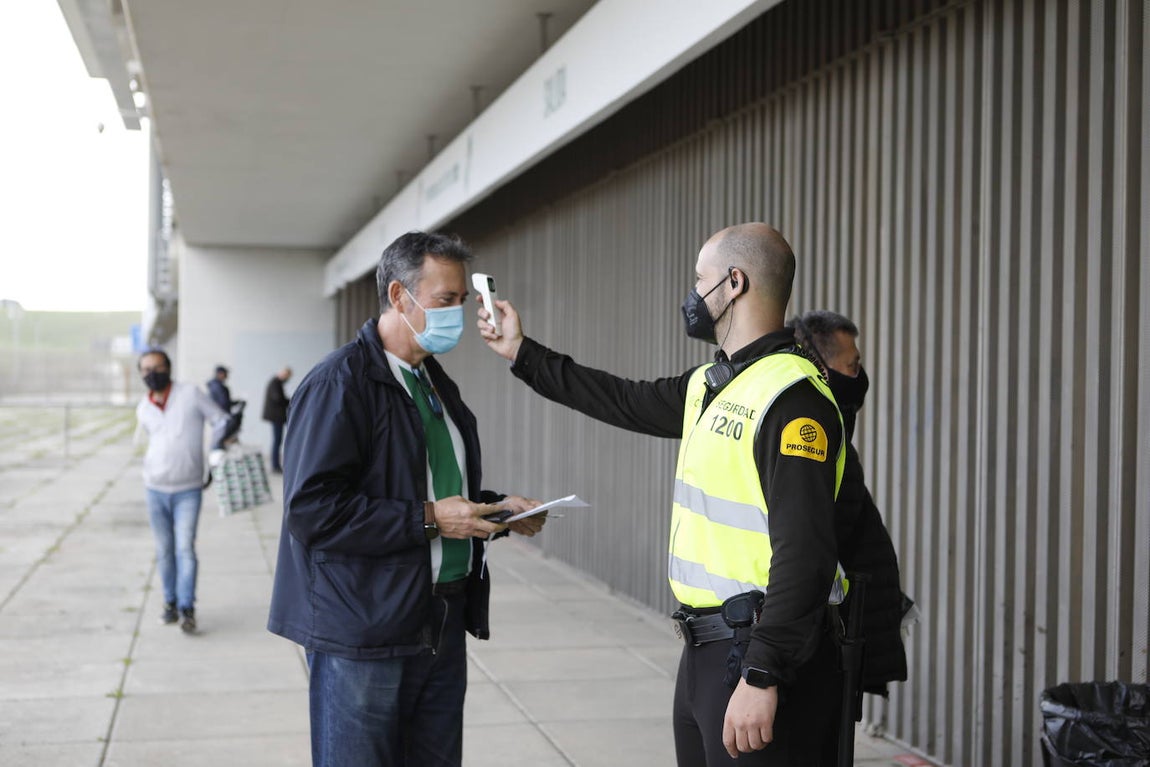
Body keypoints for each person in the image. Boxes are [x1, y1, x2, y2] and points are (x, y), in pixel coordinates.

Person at [478, 223, 846, 766]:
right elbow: (620, 399)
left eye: (700, 279)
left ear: (734, 283)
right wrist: (521, 352)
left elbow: (806, 554)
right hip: (707, 648)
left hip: (760, 652)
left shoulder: (792, 400)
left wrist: (764, 671)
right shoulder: (713, 383)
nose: (693, 294)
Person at [267, 231, 547, 767]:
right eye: (445, 301)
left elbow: (427, 490)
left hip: (439, 617)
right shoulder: (340, 384)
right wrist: (430, 519)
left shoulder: (433, 382)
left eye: (462, 301)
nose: (458, 316)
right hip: (365, 629)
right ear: (400, 296)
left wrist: (495, 508)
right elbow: (311, 511)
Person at [788, 311, 909, 699]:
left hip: (835, 635)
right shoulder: (818, 441)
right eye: (852, 366)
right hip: (824, 642)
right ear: (822, 369)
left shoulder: (834, 430)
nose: (860, 377)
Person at [134, 349, 229, 633]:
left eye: (157, 367)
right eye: (146, 369)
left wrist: (215, 451)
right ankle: (170, 603)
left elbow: (221, 419)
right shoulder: (144, 407)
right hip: (154, 489)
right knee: (164, 550)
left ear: (168, 367)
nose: (152, 373)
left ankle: (188, 608)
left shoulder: (190, 394)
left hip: (188, 489)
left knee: (184, 548)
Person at [261, 366, 292, 474]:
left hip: (277, 417)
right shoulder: (275, 383)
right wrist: (290, 401)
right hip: (276, 417)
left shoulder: (277, 383)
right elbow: (278, 399)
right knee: (277, 441)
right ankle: (275, 465)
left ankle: (276, 465)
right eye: (288, 376)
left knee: (277, 440)